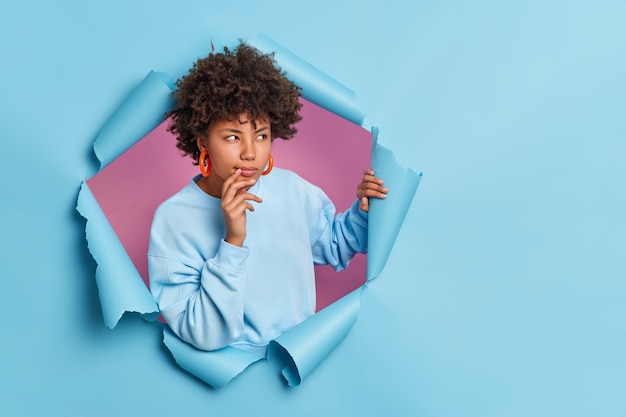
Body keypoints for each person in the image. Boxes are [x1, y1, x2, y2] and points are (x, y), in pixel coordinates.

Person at [148, 43, 388, 357]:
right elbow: (204, 334)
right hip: (235, 376)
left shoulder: (291, 188)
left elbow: (336, 242)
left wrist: (366, 210)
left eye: (261, 135)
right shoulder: (173, 219)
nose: (250, 152)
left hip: (299, 360)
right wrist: (233, 241)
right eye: (233, 136)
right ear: (203, 140)